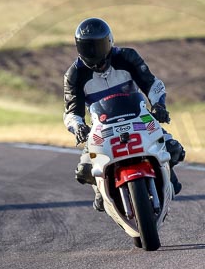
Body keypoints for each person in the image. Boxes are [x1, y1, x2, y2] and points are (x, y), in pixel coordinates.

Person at [63, 17, 185, 212]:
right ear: (79, 47)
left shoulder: (127, 57)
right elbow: (71, 112)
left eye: (98, 45)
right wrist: (78, 127)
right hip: (100, 128)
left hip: (140, 118)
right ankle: (100, 191)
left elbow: (153, 84)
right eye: (87, 47)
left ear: (109, 41)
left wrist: (159, 105)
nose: (93, 52)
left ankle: (168, 176)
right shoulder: (74, 74)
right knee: (85, 170)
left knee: (174, 149)